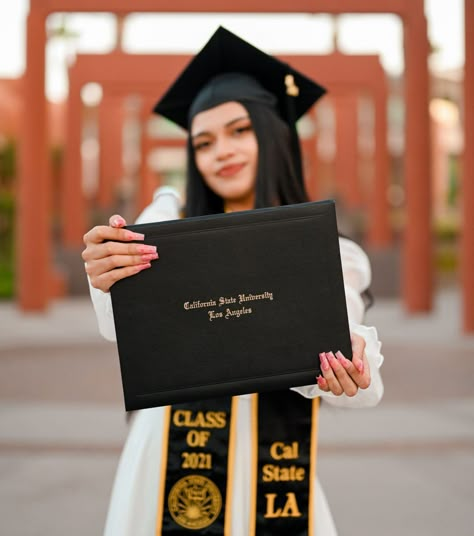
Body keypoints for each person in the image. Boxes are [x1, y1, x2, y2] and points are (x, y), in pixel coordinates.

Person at [82, 27, 384, 536]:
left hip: (274, 472)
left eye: (239, 130)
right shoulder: (166, 229)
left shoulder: (329, 252)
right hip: (164, 470)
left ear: (274, 133)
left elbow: (352, 360)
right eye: (203, 141)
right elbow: (121, 330)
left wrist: (349, 361)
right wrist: (107, 274)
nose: (221, 150)